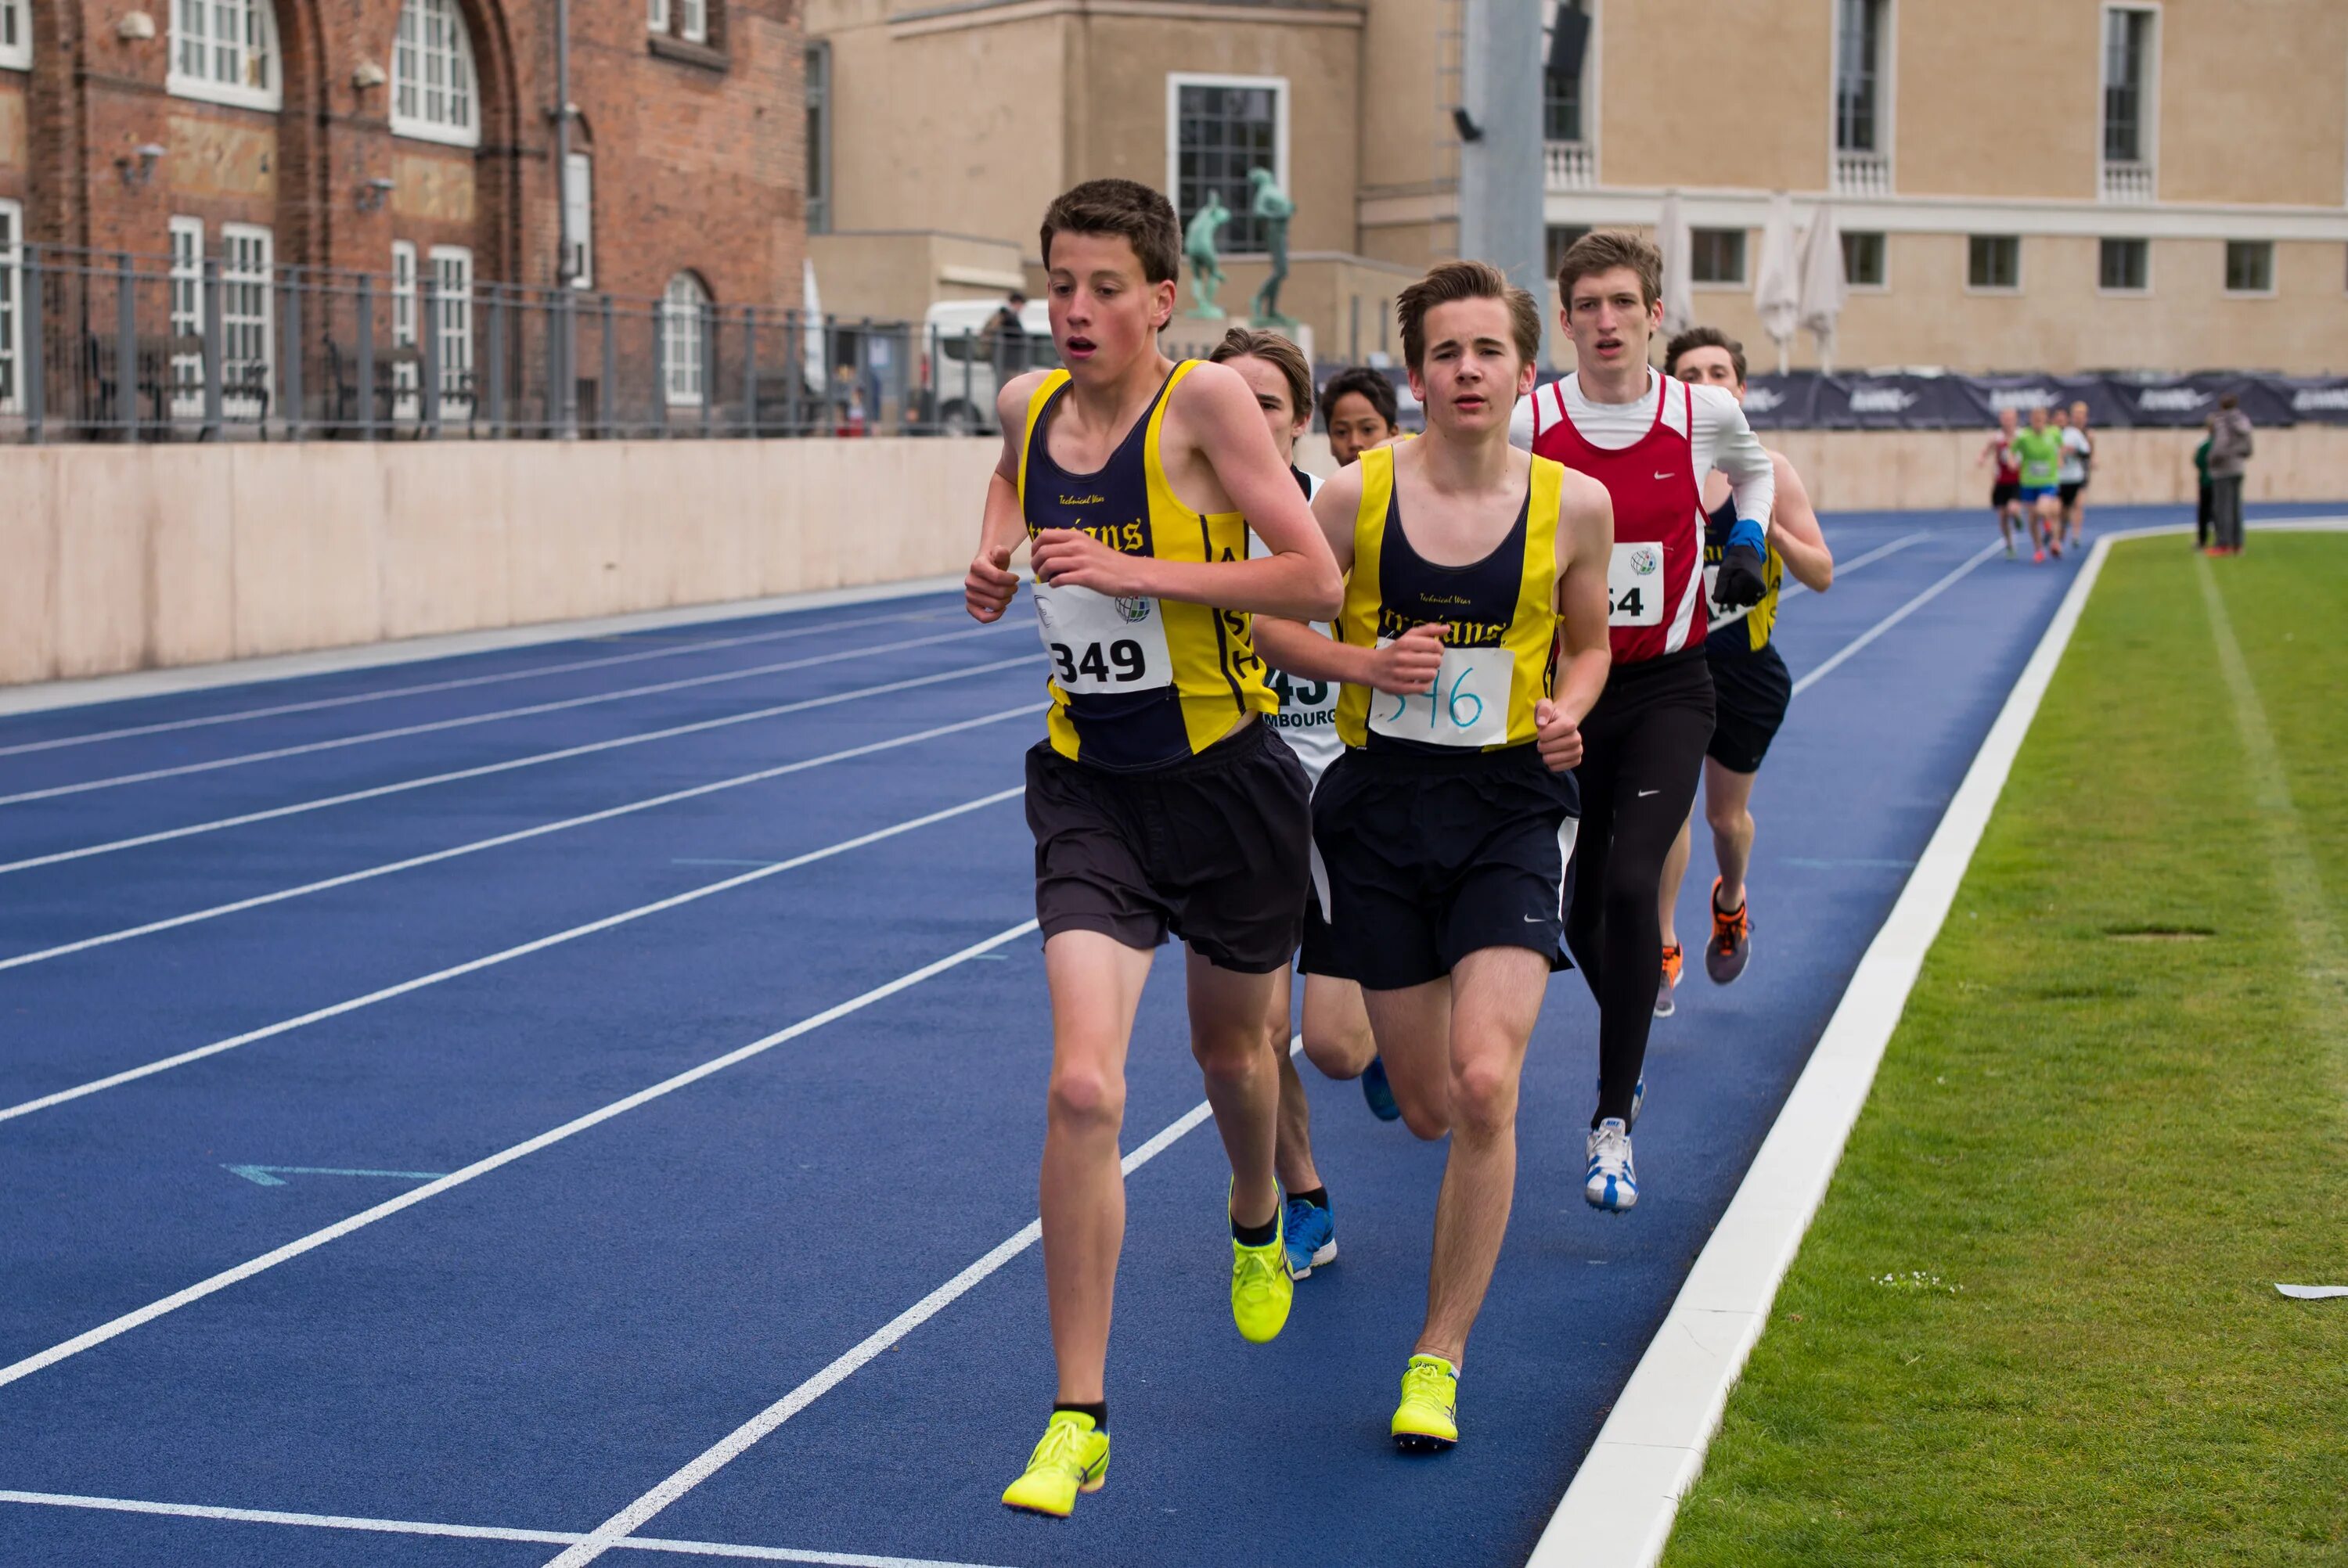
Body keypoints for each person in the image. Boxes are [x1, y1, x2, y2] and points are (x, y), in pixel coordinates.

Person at [965, 179, 1343, 1519]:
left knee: (1236, 1057)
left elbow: (1316, 577)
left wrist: (1149, 575)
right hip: (1089, 791)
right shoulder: (1022, 407)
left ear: (1161, 296)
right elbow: (1011, 489)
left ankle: (1255, 1204)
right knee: (1082, 1083)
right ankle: (1080, 1412)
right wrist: (995, 558)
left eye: (1104, 286)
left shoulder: (1207, 407)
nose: (1075, 310)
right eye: (1059, 283)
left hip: (1231, 786)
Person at [1277, 259, 1611, 1451]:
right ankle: (1409, 1088)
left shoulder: (1573, 504)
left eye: (1490, 352)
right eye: (1447, 352)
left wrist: (1572, 707)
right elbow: (1267, 618)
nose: (1468, 371)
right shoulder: (1354, 496)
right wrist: (1362, 666)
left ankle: (1439, 1356)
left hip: (1512, 812)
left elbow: (1588, 646)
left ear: (1526, 371)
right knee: (1424, 1107)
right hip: (1377, 818)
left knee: (1484, 1083)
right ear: (1417, 372)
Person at [1511, 229, 1774, 1212]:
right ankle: (1631, 1026)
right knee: (1575, 912)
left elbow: (1760, 472)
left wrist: (1742, 538)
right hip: (1564, 693)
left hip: (1670, 685)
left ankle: (1610, 1121)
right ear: (1568, 318)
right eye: (1589, 306)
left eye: (1625, 303)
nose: (1608, 321)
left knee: (1629, 883)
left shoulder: (1698, 412)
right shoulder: (1533, 420)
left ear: (1654, 315)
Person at [1204, 325, 1394, 1288]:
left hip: (1346, 802)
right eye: (1228, 399)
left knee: (1333, 1044)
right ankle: (1303, 1196)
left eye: (1267, 403)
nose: (1247, 418)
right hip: (1240, 807)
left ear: (1300, 420)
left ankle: (1387, 1049)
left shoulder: (1344, 512)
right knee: (1255, 1035)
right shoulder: (1186, 519)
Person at [1651, 328, 1834, 1016]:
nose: (1705, 383)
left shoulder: (1769, 470)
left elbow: (1822, 573)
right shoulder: (1654, 468)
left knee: (1726, 820)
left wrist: (1763, 530)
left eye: (1718, 372)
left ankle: (1730, 902)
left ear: (1741, 388)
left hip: (1746, 674)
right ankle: (1663, 943)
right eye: (1690, 373)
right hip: (1671, 670)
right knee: (1668, 812)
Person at [2009, 405, 2065, 563]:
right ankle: (2039, 549)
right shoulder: (2024, 437)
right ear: (2031, 420)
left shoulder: (2054, 433)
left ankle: (2050, 533)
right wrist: (2012, 461)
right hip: (2028, 482)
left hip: (2048, 480)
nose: (2038, 423)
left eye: (2041, 420)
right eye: (2035, 420)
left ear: (2046, 420)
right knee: (2033, 518)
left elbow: (2061, 446)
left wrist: (2060, 458)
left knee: (2043, 509)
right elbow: (2012, 451)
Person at [1322, 366, 1403, 466]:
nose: (1355, 443)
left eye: (1367, 430)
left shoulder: (1413, 481)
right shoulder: (1327, 482)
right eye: (1342, 432)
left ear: (1393, 435)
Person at [2206, 392, 2254, 556]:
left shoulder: (2222, 421)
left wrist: (2211, 460)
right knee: (2235, 508)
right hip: (2238, 467)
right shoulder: (2243, 420)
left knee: (2222, 509)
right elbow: (2249, 447)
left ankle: (2223, 544)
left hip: (2223, 469)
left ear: (2222, 405)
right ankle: (2237, 544)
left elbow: (2220, 444)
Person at [1978, 408, 2023, 558]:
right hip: (2001, 481)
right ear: (2001, 420)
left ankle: (2017, 517)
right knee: (2002, 516)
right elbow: (1986, 451)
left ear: (2016, 419)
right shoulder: (1997, 438)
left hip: (2017, 480)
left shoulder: (2021, 436)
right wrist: (1982, 458)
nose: (2008, 421)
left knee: (2013, 509)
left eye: (2011, 418)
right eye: (2005, 418)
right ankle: (2009, 545)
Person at [2058, 399, 2094, 548]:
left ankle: (2076, 535)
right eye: (2076, 414)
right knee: (2064, 508)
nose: (2079, 417)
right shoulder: (2066, 432)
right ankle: (2061, 529)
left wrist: (2092, 460)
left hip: (2080, 472)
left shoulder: (2087, 433)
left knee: (2078, 504)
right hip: (2063, 474)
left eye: (2082, 414)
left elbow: (2090, 452)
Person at [983, 290, 1031, 377]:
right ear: (1017, 303)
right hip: (1007, 362)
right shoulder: (1006, 316)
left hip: (1009, 361)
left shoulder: (1009, 316)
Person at [2193, 417, 2216, 551]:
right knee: (2219, 512)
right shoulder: (2222, 444)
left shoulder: (2204, 445)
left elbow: (2198, 462)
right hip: (2219, 482)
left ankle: (2202, 541)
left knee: (2204, 512)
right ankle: (2222, 540)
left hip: (2206, 482)